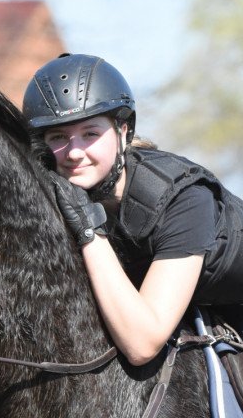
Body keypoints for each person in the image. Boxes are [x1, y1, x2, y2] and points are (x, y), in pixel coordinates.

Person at [22, 53, 243, 367]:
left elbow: (142, 344)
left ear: (122, 131)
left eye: (90, 134)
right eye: (58, 137)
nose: (73, 152)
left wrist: (89, 231)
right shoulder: (56, 190)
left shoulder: (184, 198)